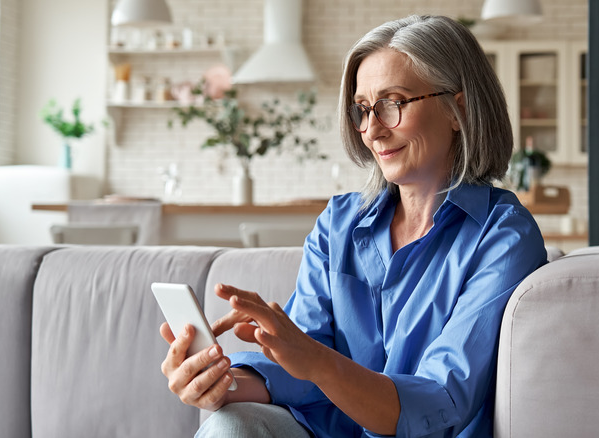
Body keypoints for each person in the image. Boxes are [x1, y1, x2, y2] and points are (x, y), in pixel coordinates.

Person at [159, 14, 547, 437]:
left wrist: (314, 360)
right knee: (228, 424)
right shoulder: (339, 223)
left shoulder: (503, 235)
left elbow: (441, 400)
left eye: (392, 103)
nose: (372, 131)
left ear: (459, 109)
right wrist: (221, 385)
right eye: (363, 110)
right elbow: (299, 365)